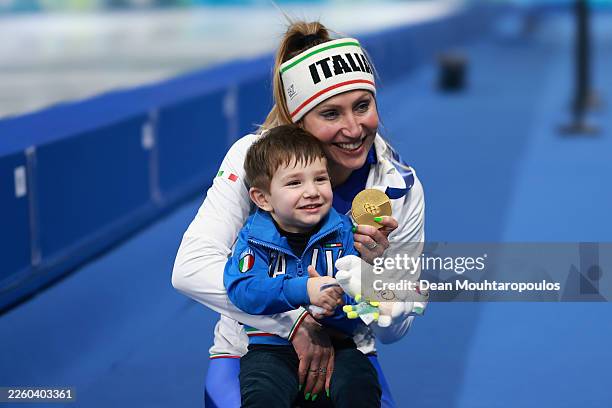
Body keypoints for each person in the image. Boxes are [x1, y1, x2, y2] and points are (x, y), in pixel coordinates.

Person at [172, 20, 425, 408]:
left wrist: (379, 280)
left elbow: (395, 331)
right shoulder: (252, 157)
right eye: (330, 114)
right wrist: (293, 324)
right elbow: (189, 269)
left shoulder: (399, 186)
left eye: (362, 105)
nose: (353, 128)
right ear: (297, 120)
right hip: (250, 348)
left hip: (349, 353)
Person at [224, 125, 381, 406]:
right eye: (295, 183)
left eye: (320, 179)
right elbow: (243, 290)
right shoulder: (253, 238)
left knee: (361, 387)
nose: (312, 192)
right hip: (269, 349)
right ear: (263, 198)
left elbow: (364, 301)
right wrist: (303, 289)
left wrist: (339, 304)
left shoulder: (346, 232)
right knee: (262, 397)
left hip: (339, 346)